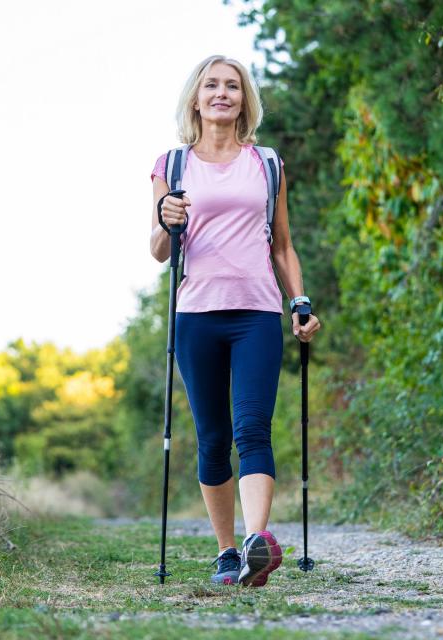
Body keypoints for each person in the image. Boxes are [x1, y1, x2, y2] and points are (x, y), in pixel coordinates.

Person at [149, 54, 321, 587]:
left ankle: (255, 543)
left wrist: (300, 303)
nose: (222, 93)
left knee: (253, 428)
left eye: (233, 86)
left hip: (256, 312)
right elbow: (158, 251)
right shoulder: (171, 166)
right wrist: (165, 219)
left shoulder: (266, 164)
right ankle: (227, 550)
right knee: (213, 436)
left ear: (245, 100)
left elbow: (285, 246)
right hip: (197, 314)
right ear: (196, 98)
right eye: (212, 85)